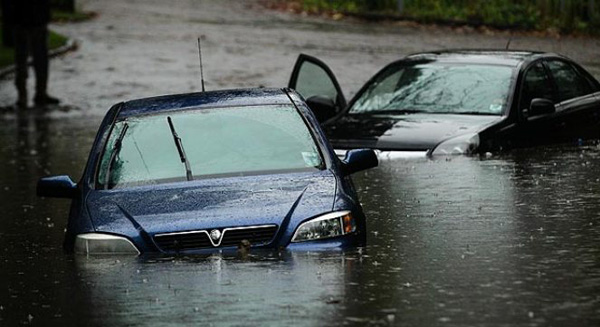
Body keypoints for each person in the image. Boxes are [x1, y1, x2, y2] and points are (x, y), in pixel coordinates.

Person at [10, 0, 60, 109]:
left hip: (32, 19)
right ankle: (26, 95)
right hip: (25, 20)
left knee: (36, 59)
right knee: (26, 59)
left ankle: (34, 94)